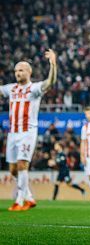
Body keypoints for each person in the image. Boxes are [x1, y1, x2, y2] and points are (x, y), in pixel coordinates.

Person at [1, 50, 57, 212]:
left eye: (21, 70)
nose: (18, 73)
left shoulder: (35, 88)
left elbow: (50, 82)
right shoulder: (11, 89)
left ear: (29, 72)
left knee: (22, 165)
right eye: (16, 71)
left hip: (27, 132)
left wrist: (53, 64)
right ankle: (30, 197)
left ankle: (19, 201)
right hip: (12, 134)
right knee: (13, 170)